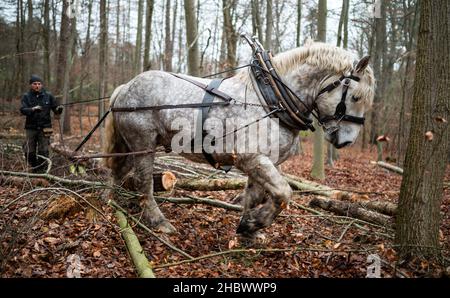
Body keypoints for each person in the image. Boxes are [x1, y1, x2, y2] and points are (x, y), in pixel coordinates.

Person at [20, 75, 63, 173]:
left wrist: (58, 110)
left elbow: (56, 109)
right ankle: (34, 168)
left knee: (43, 151)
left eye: (39, 84)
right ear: (31, 85)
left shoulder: (49, 96)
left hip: (45, 128)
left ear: (42, 85)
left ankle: (42, 171)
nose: (37, 86)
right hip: (31, 128)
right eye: (35, 84)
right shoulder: (26, 96)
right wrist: (33, 109)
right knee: (29, 151)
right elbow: (22, 110)